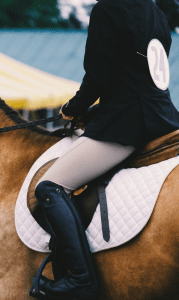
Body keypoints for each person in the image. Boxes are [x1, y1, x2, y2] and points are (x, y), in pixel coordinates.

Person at [30, 0, 179, 299]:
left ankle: (80, 278)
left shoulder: (108, 9)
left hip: (129, 125)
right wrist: (98, 112)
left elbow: (97, 77)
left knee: (49, 186)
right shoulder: (156, 13)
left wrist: (73, 108)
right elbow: (137, 79)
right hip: (163, 118)